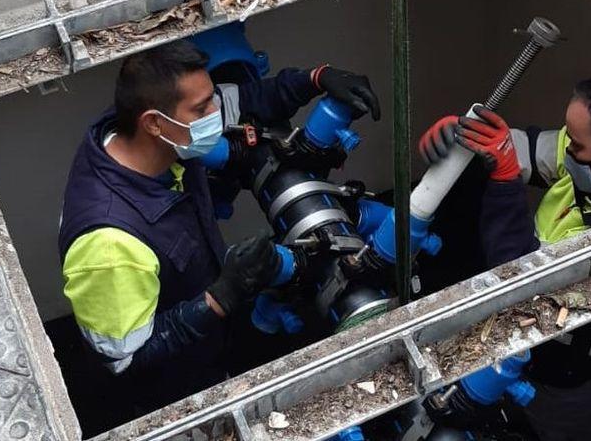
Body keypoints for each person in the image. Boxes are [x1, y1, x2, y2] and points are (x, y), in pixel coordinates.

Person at [58, 39, 379, 418]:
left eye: (210, 98)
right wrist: (220, 296)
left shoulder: (149, 130)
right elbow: (124, 362)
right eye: (202, 108)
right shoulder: (108, 244)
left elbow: (241, 100)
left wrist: (315, 80)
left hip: (212, 342)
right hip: (169, 395)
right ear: (154, 123)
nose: (217, 112)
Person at [418, 72, 591, 440]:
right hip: (524, 346)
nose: (566, 147)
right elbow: (522, 148)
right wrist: (466, 139)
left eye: (577, 144)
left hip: (561, 381)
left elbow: (520, 289)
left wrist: (505, 180)